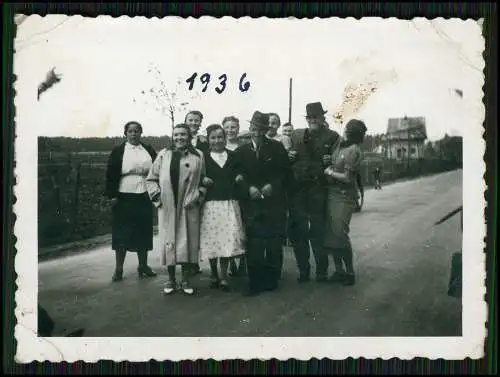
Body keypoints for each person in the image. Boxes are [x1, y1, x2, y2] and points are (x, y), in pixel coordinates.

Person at [235, 111, 293, 296]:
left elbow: (285, 174)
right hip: (252, 204)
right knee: (255, 243)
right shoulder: (241, 151)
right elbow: (235, 175)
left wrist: (273, 186)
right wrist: (247, 188)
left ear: (266, 130)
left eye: (261, 130)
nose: (257, 133)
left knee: (274, 242)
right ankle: (255, 282)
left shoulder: (277, 148)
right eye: (254, 129)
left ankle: (272, 279)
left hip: (274, 203)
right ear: (250, 129)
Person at [146, 123, 207, 295]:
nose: (179, 138)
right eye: (176, 135)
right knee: (170, 242)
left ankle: (186, 280)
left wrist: (197, 197)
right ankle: (171, 279)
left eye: (183, 135)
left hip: (188, 206)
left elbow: (203, 181)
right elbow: (151, 179)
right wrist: (158, 198)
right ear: (172, 137)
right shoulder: (164, 155)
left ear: (189, 137)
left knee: (187, 242)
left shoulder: (198, 155)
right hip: (168, 206)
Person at [288, 102, 341, 283]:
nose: (313, 120)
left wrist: (332, 160)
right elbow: (288, 158)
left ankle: (322, 271)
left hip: (319, 190)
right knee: (298, 233)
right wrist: (289, 157)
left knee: (318, 232)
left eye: (316, 117)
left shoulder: (333, 137)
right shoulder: (296, 136)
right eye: (310, 118)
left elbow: (340, 160)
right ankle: (303, 271)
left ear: (323, 118)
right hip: (298, 191)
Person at [104, 121, 158, 282]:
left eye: (137, 131)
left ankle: (143, 266)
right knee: (122, 232)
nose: (134, 134)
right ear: (125, 134)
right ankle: (118, 269)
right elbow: (110, 174)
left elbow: (157, 169)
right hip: (123, 195)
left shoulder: (147, 150)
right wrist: (112, 195)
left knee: (144, 230)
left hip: (144, 194)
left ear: (141, 133)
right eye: (130, 131)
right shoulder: (118, 151)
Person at [199, 124, 246, 291]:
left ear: (225, 138)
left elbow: (242, 172)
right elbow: (195, 176)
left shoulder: (233, 156)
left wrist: (240, 176)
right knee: (212, 239)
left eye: (220, 137)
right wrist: (202, 180)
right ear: (208, 139)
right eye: (213, 137)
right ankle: (213, 273)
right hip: (210, 204)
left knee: (226, 239)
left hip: (228, 202)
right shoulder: (202, 157)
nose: (217, 140)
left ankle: (223, 275)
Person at [323, 119, 367, 286]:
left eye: (347, 129)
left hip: (344, 196)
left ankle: (349, 272)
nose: (344, 131)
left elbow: (347, 178)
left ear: (351, 132)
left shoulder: (353, 151)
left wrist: (329, 172)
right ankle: (339, 270)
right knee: (333, 234)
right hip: (332, 194)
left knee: (340, 233)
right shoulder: (340, 146)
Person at [222, 115, 248, 277]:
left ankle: (243, 262)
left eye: (233, 127)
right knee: (226, 229)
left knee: (242, 227)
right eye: (227, 127)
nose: (230, 130)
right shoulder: (218, 145)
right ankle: (230, 262)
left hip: (241, 192)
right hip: (224, 193)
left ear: (238, 129)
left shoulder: (244, 147)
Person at [185, 110, 208, 276]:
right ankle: (184, 261)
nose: (194, 123)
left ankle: (194, 261)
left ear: (200, 123)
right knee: (183, 226)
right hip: (182, 187)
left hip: (198, 185)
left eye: (196, 121)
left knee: (196, 225)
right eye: (191, 120)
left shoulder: (203, 142)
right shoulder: (177, 138)